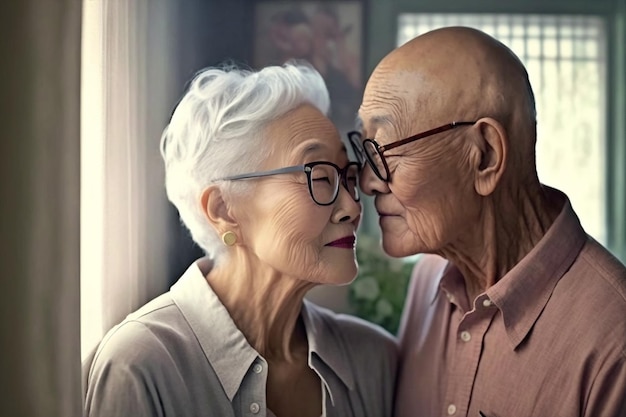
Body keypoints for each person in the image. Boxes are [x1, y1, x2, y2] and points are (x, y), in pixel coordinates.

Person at [83, 62, 397, 417]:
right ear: (224, 209)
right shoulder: (141, 365)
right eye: (320, 177)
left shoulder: (375, 361)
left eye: (347, 176)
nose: (353, 207)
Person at [348, 26, 626, 417]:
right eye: (365, 148)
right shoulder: (429, 277)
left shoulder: (614, 341)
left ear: (485, 157)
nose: (368, 180)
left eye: (385, 149)